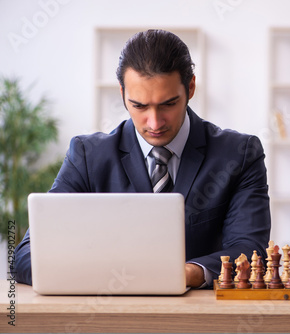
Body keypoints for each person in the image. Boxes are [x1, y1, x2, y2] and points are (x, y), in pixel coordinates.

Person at [14, 29, 271, 288]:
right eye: (139, 106)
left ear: (190, 87)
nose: (155, 122)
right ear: (122, 93)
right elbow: (27, 255)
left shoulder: (239, 154)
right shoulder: (87, 156)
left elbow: (250, 249)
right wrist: (105, 275)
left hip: (202, 317)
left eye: (168, 104)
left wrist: (188, 273)